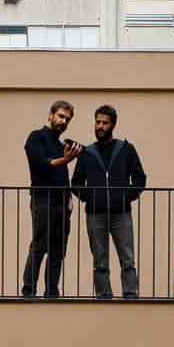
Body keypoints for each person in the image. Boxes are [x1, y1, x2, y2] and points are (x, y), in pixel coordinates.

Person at [71, 104, 146, 299]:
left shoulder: (126, 149)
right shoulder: (87, 152)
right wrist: (92, 197)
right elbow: (76, 183)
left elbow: (139, 179)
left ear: (113, 125)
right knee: (100, 261)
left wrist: (124, 197)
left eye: (105, 123)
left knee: (127, 259)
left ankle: (130, 295)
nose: (100, 126)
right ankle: (104, 297)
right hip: (95, 214)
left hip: (121, 213)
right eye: (97, 122)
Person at [22, 100, 82, 298]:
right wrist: (65, 160)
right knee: (39, 245)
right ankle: (29, 291)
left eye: (68, 119)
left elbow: (61, 174)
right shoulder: (36, 137)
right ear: (50, 115)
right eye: (61, 116)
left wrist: (69, 198)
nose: (64, 121)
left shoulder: (60, 144)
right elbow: (41, 164)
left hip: (61, 204)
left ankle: (52, 292)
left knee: (58, 250)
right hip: (43, 199)